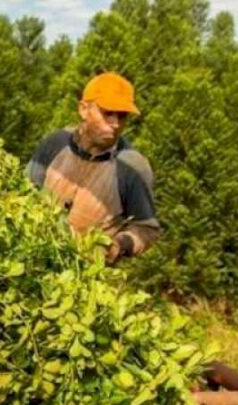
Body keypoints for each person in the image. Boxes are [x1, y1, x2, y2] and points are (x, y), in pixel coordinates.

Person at [26, 72, 160, 264]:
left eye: (122, 116)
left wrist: (120, 244)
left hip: (86, 276)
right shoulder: (55, 143)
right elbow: (23, 192)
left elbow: (147, 229)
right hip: (33, 261)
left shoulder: (132, 167)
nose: (115, 124)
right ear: (83, 109)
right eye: (107, 113)